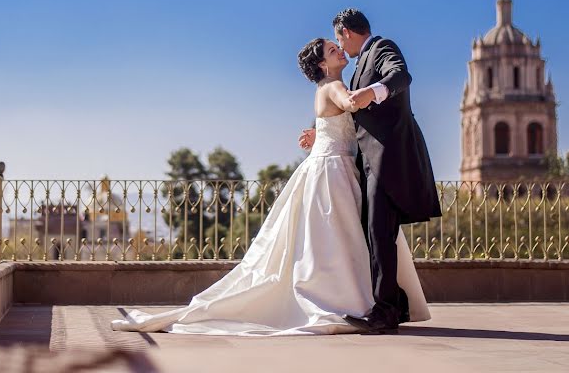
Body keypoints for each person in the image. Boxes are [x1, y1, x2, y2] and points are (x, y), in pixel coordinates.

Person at [111, 36, 430, 336]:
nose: (340, 51)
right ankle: (350, 300)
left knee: (336, 239)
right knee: (339, 238)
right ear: (322, 64)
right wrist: (374, 95)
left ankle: (359, 300)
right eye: (333, 50)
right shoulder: (333, 86)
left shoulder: (327, 86)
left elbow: (335, 123)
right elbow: (349, 104)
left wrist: (318, 133)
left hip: (335, 166)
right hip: (334, 171)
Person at [300, 9, 441, 334]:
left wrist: (372, 91)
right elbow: (343, 110)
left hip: (387, 158)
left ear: (346, 32)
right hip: (365, 163)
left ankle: (386, 310)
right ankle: (390, 304)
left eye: (338, 39)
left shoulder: (381, 48)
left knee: (378, 233)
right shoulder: (352, 71)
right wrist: (319, 131)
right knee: (375, 234)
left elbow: (401, 76)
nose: (338, 45)